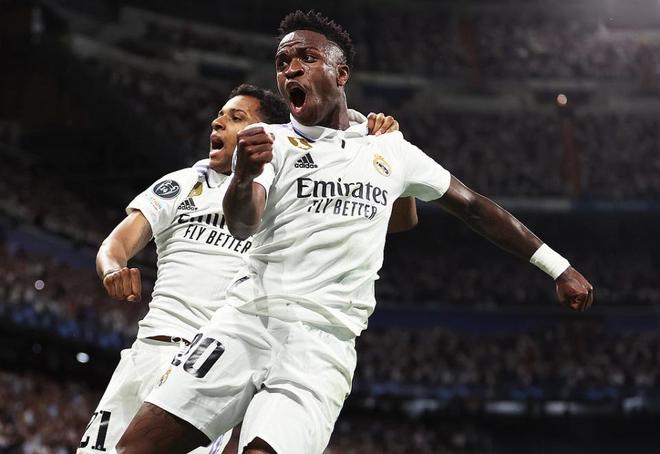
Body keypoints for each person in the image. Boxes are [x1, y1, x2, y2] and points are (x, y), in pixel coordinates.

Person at [116, 10, 593, 454]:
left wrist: (558, 267)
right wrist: (242, 177)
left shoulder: (390, 149)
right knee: (134, 449)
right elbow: (243, 222)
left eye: (307, 57)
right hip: (243, 324)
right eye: (282, 62)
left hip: (320, 345)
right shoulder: (272, 143)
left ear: (341, 74)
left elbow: (473, 207)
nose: (291, 69)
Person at [79, 83, 414, 453]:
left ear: (268, 134)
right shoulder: (183, 183)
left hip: (211, 363)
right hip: (147, 351)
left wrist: (386, 151)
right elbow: (116, 244)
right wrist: (113, 269)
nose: (217, 123)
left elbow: (398, 220)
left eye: (236, 117)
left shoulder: (291, 192)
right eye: (219, 116)